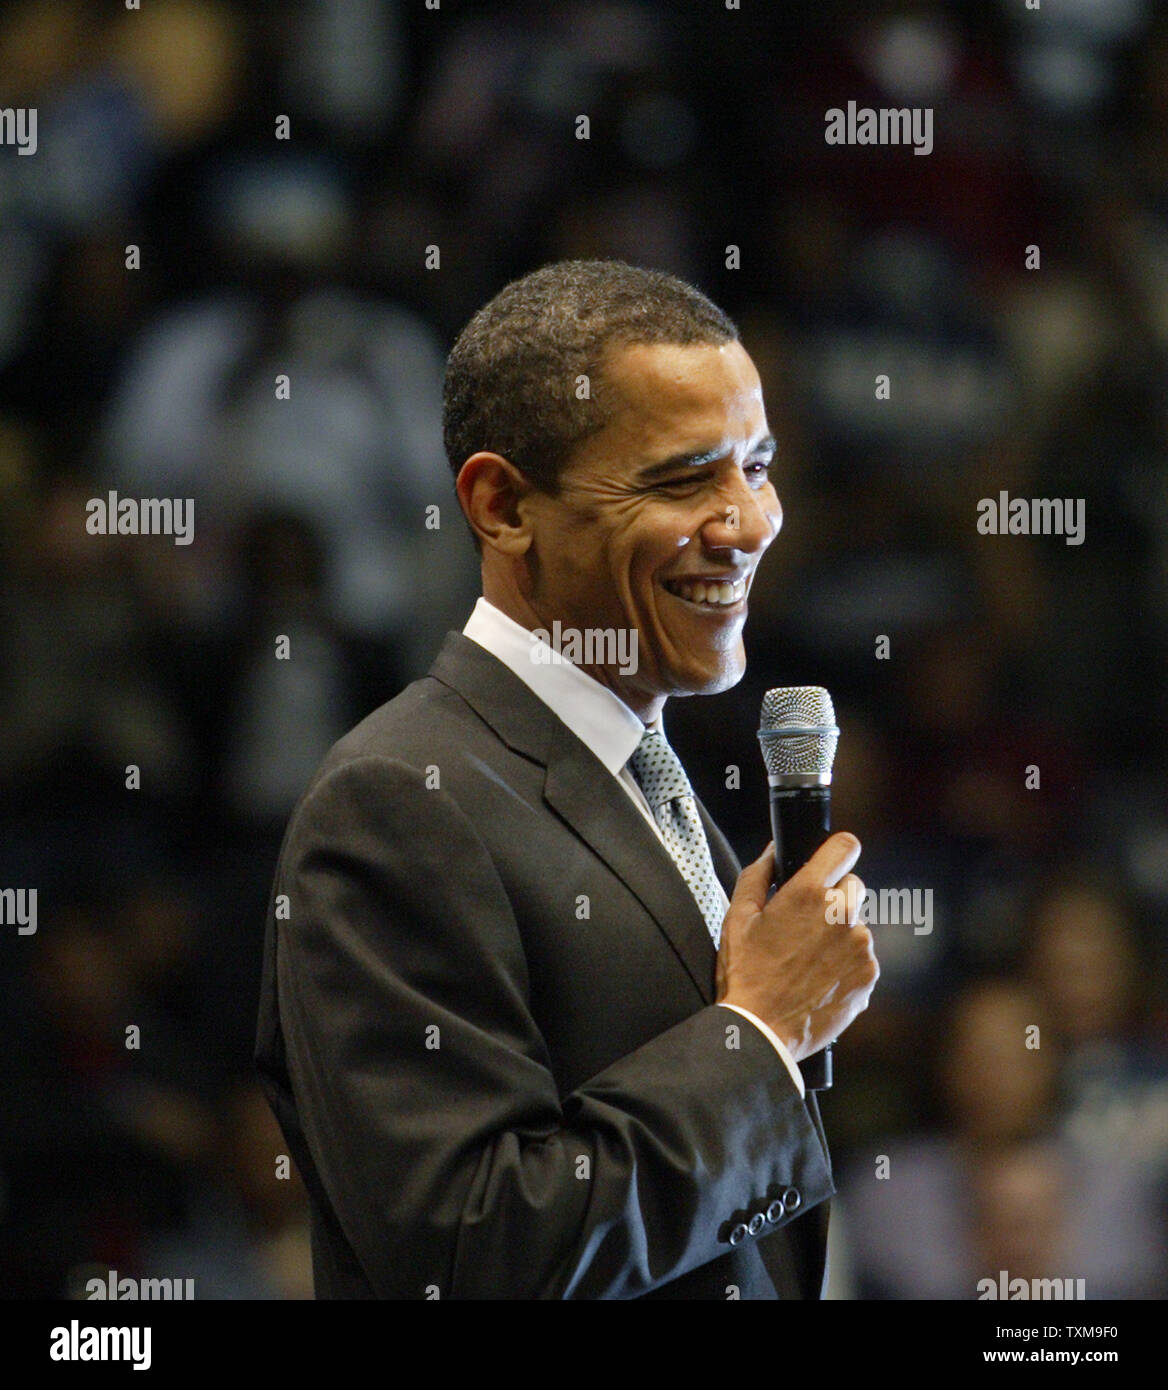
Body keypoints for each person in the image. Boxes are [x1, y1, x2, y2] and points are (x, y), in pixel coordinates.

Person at [254, 260, 879, 1299]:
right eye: (684, 479)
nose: (749, 522)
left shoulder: (642, 774)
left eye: (757, 466)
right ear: (501, 506)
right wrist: (763, 1035)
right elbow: (474, 1250)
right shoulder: (397, 802)